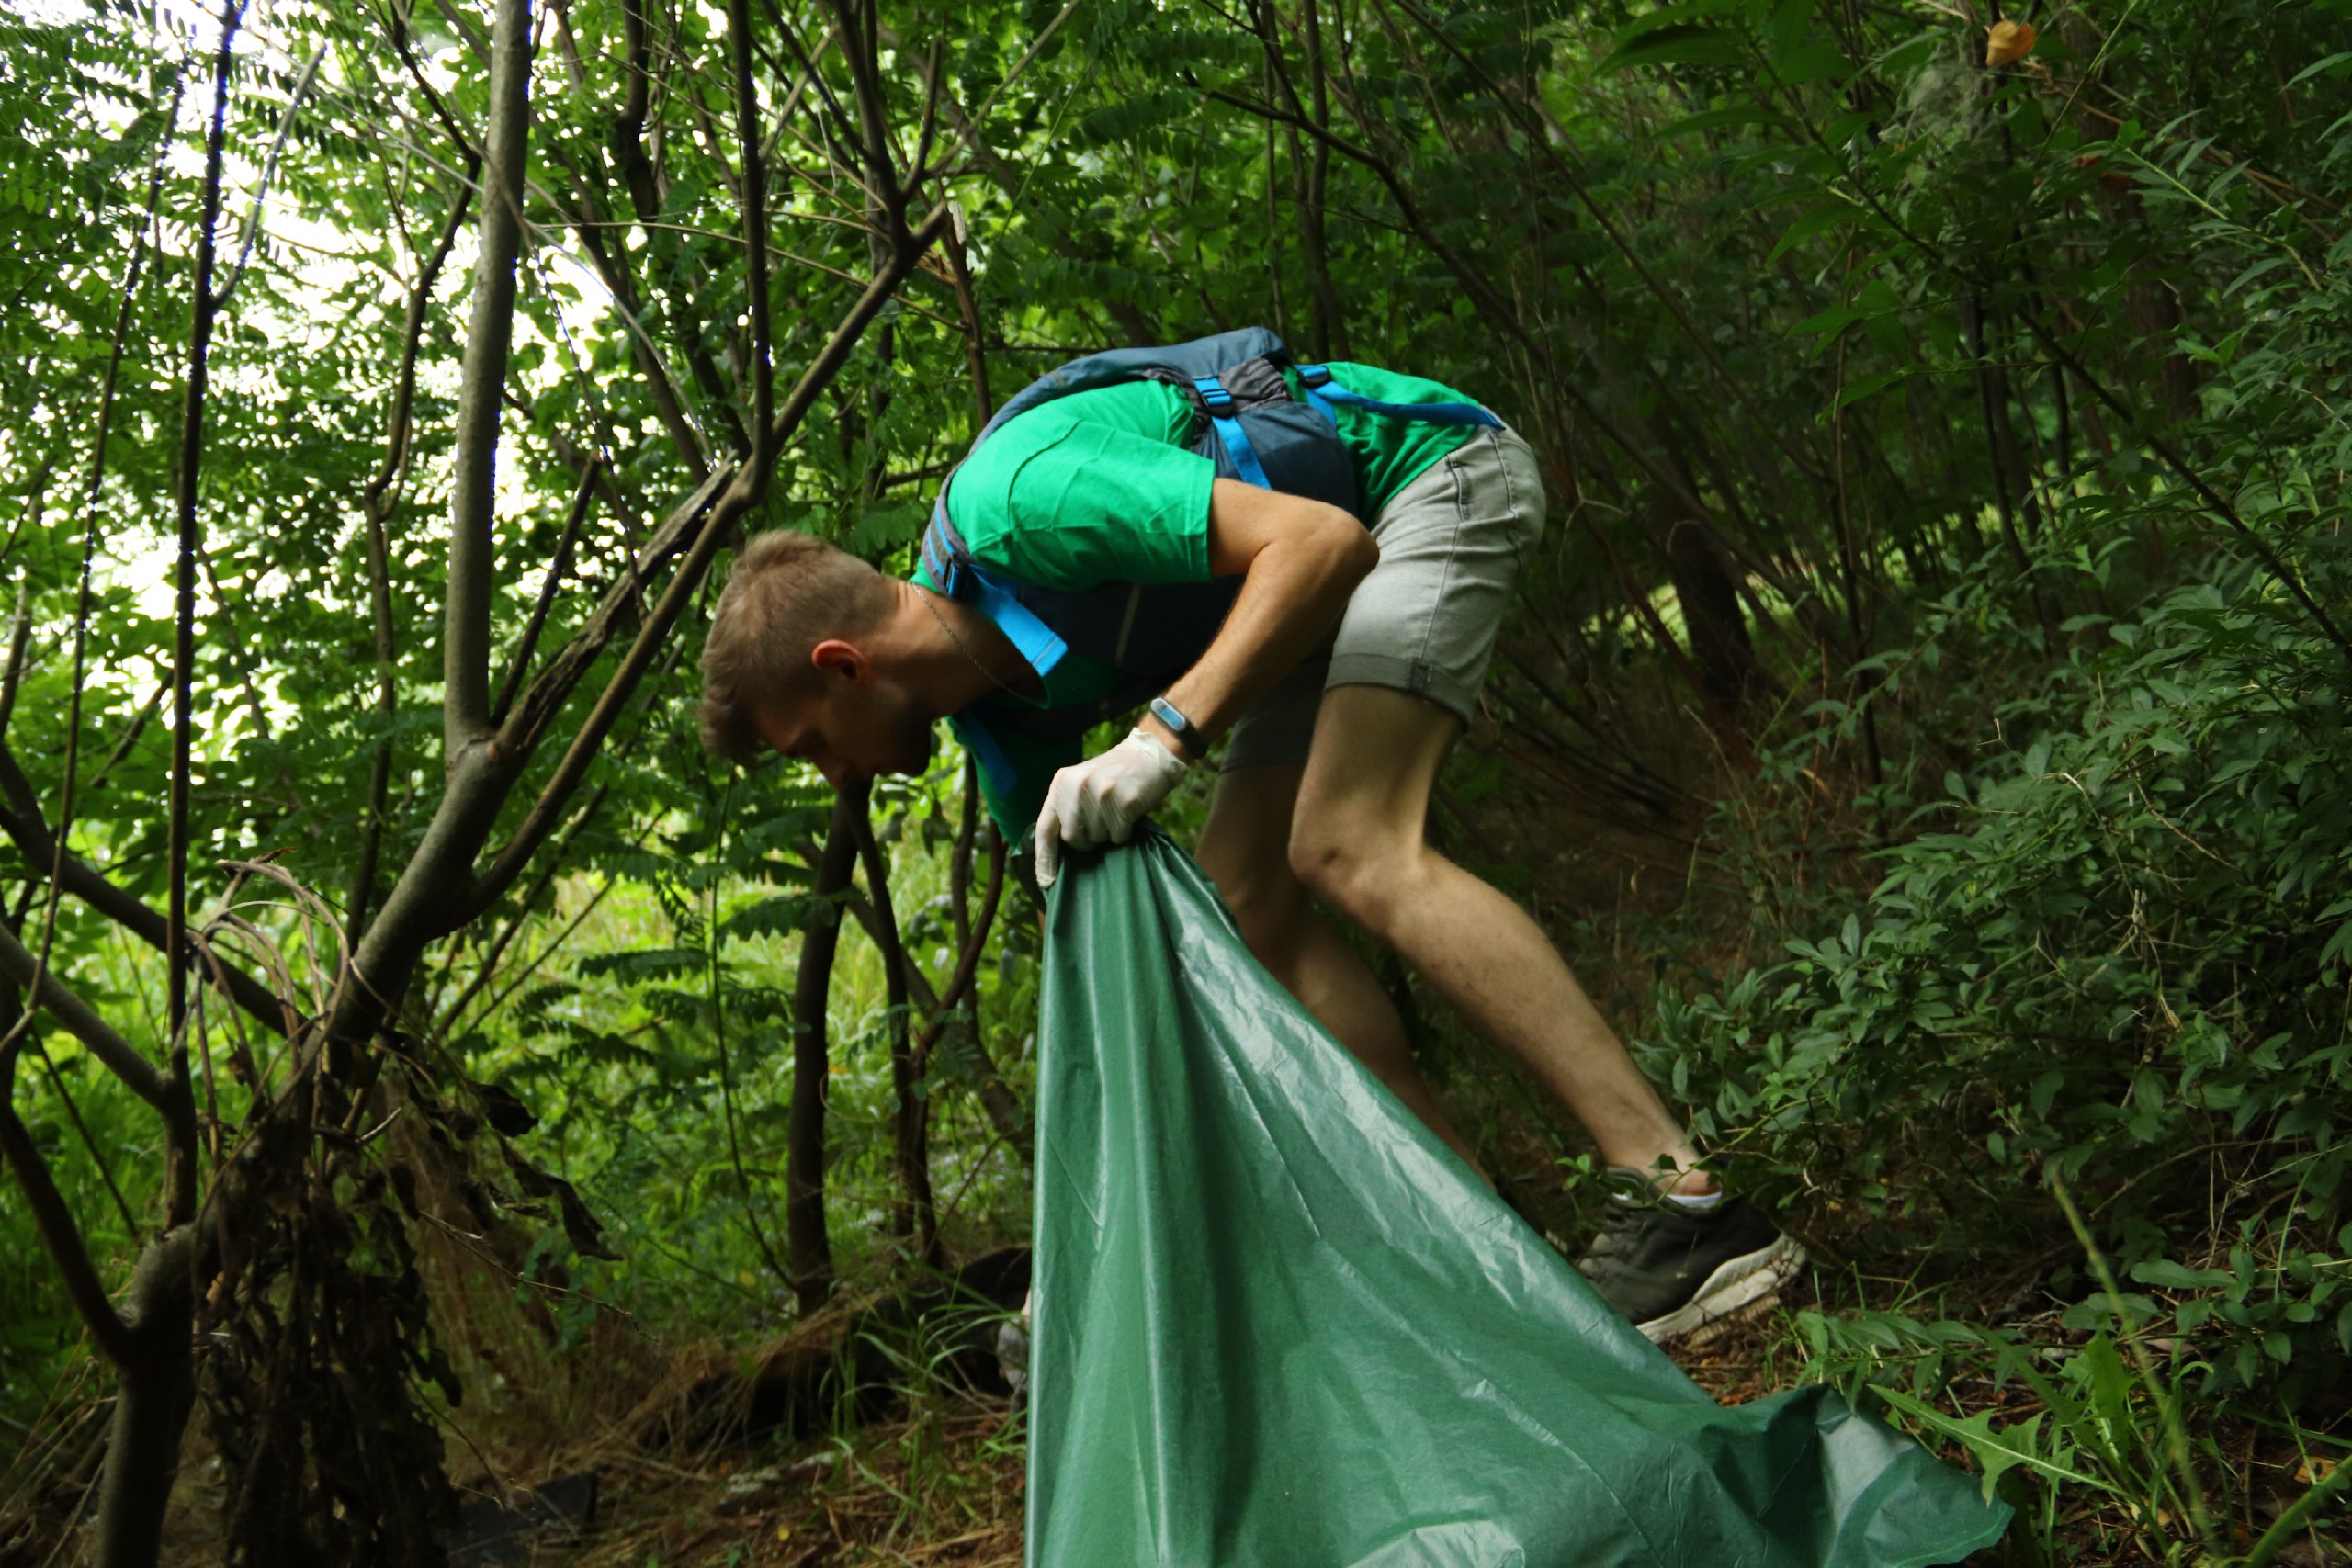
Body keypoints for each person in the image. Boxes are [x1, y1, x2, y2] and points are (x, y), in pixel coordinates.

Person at [697, 334, 1799, 1341]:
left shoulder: (1020, 502)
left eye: (811, 748)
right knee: (1245, 897)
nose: (833, 777)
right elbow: (1110, 994)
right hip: (1308, 595)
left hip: (1420, 483)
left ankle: (1685, 1198)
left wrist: (1163, 736)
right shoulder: (1004, 730)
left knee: (1346, 841)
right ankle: (1503, 1256)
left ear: (843, 665)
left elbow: (1319, 542)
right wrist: (1072, 1262)